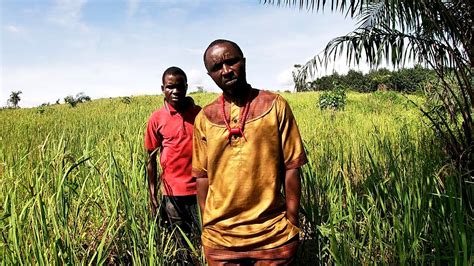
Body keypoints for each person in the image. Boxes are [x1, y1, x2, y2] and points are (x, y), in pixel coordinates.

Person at [192, 39, 308, 265]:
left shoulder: (275, 105)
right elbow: (202, 175)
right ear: (210, 75)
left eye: (231, 62)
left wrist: (292, 221)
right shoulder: (204, 118)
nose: (226, 71)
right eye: (217, 68)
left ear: (243, 62)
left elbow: (292, 166)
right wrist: (207, 222)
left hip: (272, 235)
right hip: (221, 239)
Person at [145, 66, 201, 259]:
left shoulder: (200, 115)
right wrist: (152, 193)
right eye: (170, 87)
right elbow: (150, 159)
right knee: (181, 244)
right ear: (163, 89)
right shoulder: (157, 118)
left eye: (179, 86)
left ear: (186, 87)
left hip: (201, 190)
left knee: (207, 240)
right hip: (172, 193)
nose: (175, 91)